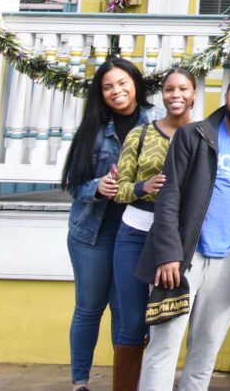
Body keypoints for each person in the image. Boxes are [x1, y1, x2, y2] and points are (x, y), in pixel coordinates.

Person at [138, 75, 230, 391]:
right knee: (164, 346)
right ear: (227, 97)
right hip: (185, 257)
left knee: (205, 353)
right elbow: (169, 196)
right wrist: (169, 253)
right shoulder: (193, 135)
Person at [65, 57, 155, 391]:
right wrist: (97, 187)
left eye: (122, 83)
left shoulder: (155, 125)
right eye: (107, 87)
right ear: (100, 94)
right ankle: (80, 383)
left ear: (135, 84)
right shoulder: (93, 130)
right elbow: (74, 184)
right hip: (93, 234)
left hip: (134, 235)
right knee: (89, 308)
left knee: (128, 313)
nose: (116, 91)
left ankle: (126, 383)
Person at [110, 69, 196, 391]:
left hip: (179, 240)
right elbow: (118, 190)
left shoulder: (204, 136)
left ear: (193, 94)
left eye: (183, 89)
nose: (175, 94)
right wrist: (143, 186)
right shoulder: (141, 134)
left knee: (169, 323)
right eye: (169, 89)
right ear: (162, 94)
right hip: (135, 233)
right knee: (132, 323)